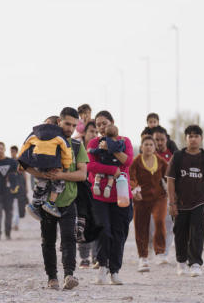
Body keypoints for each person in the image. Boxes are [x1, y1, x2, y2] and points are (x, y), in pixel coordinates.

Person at [25, 107, 88, 291]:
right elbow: (24, 165)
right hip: (46, 203)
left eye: (74, 125)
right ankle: (52, 278)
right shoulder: (44, 142)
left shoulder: (77, 146)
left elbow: (82, 174)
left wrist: (60, 175)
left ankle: (69, 274)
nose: (70, 128)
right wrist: (44, 174)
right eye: (67, 123)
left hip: (68, 201)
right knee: (48, 241)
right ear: (59, 122)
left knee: (69, 238)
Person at [86, 110, 133, 285]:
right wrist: (112, 170)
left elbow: (127, 161)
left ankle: (115, 271)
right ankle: (102, 267)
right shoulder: (93, 143)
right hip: (99, 196)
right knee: (103, 231)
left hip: (120, 195)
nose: (101, 127)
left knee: (119, 233)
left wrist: (111, 148)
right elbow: (91, 165)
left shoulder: (124, 141)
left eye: (104, 123)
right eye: (98, 125)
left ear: (112, 123)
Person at [167, 125, 204, 277]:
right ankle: (181, 262)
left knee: (197, 232)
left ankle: (195, 263)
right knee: (180, 232)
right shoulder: (178, 157)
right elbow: (170, 180)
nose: (193, 139)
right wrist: (172, 203)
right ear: (186, 138)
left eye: (196, 136)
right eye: (190, 136)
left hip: (199, 202)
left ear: (201, 139)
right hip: (180, 202)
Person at [129, 136, 169, 272]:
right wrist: (135, 190)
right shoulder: (136, 161)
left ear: (154, 147)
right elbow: (132, 177)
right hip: (141, 198)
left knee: (159, 220)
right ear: (141, 147)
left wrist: (171, 188)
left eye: (151, 144)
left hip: (159, 197)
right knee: (141, 226)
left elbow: (169, 174)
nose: (148, 147)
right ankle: (143, 257)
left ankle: (160, 252)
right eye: (146, 144)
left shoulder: (160, 160)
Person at [20, 123, 73, 218]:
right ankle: (51, 204)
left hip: (37, 159)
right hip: (52, 159)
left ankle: (35, 205)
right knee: (58, 180)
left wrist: (21, 162)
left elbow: (25, 145)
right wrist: (66, 166)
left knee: (42, 179)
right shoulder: (59, 134)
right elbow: (66, 149)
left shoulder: (35, 133)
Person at [147, 125, 175, 262]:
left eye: (161, 140)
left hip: (168, 195)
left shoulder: (174, 155)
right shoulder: (148, 155)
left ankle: (164, 253)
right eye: (156, 140)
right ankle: (152, 248)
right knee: (153, 225)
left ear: (166, 139)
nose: (159, 143)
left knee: (168, 225)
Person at [77, 121, 98, 268]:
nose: (95, 135)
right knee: (82, 223)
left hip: (97, 191)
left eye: (96, 132)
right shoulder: (78, 148)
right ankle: (84, 257)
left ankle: (96, 256)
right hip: (81, 191)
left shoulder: (101, 148)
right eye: (92, 131)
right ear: (84, 133)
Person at [89, 125, 125, 198]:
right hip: (113, 164)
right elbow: (122, 149)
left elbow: (98, 150)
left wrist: (91, 150)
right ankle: (108, 187)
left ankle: (96, 184)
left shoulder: (104, 142)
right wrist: (122, 140)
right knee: (111, 178)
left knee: (98, 175)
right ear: (117, 134)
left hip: (103, 162)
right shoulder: (119, 143)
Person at [9, 145, 28, 231]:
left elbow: (24, 174)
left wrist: (26, 186)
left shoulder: (20, 161)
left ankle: (15, 223)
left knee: (17, 205)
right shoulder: (8, 161)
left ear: (16, 152)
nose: (12, 153)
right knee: (12, 205)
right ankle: (14, 223)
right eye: (11, 152)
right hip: (11, 186)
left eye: (13, 151)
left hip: (20, 185)